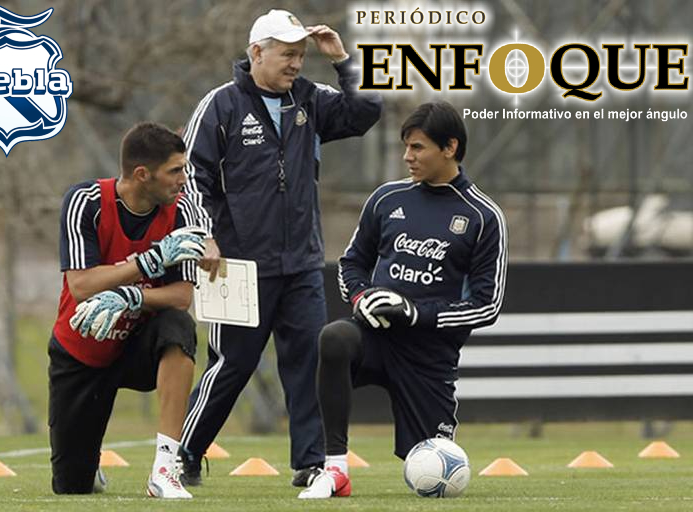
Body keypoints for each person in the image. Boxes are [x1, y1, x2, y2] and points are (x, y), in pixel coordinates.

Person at [178, 8, 383, 487]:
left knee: (309, 363)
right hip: (237, 266)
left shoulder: (310, 98)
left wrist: (343, 61)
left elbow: (365, 112)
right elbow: (190, 175)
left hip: (302, 264)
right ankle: (184, 453)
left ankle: (310, 463)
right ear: (257, 52)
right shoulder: (221, 105)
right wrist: (203, 234)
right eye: (287, 54)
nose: (296, 64)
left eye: (301, 55)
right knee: (232, 365)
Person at [299, 101, 508, 499]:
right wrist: (360, 297)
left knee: (436, 478)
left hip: (429, 359)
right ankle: (335, 469)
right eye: (406, 147)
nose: (407, 157)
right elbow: (351, 263)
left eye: (417, 147)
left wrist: (415, 313)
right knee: (335, 338)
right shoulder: (386, 199)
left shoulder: (483, 216)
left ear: (450, 147)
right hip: (375, 338)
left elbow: (487, 305)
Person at [48, 122, 208, 499]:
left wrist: (132, 298)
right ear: (142, 174)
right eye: (175, 170)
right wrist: (147, 263)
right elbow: (81, 285)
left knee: (178, 327)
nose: (183, 179)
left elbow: (181, 296)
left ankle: (165, 469)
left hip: (139, 343)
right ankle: (86, 462)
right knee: (72, 485)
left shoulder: (182, 211)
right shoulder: (85, 201)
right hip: (83, 349)